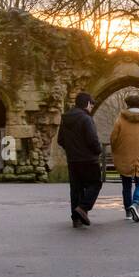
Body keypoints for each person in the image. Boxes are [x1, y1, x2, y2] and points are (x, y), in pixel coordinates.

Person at [57, 91, 103, 228]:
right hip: (89, 160)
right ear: (87, 103)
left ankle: (76, 219)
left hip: (73, 160)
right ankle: (83, 208)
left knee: (76, 188)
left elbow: (60, 140)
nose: (91, 108)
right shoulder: (86, 118)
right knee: (95, 184)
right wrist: (98, 150)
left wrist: (72, 150)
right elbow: (92, 140)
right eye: (91, 105)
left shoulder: (65, 119)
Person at [110, 93, 139, 223]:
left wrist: (116, 151)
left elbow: (113, 138)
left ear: (127, 105)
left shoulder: (120, 120)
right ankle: (135, 203)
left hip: (124, 156)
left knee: (126, 185)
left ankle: (128, 212)